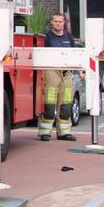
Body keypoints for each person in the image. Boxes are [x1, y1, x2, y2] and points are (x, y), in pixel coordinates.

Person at [38, 11, 77, 142]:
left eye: (60, 21)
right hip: (52, 71)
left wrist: (80, 71)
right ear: (52, 22)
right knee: (49, 102)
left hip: (67, 72)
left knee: (66, 103)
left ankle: (64, 132)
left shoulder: (68, 37)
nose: (58, 24)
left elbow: (75, 54)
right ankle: (45, 132)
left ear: (64, 23)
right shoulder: (47, 37)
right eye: (56, 21)